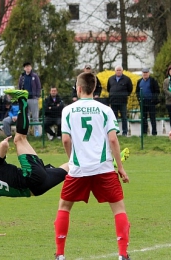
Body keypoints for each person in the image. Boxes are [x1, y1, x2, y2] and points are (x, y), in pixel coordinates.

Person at [54, 72, 131, 260]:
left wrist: (72, 160)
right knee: (119, 209)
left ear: (78, 88)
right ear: (95, 88)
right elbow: (113, 139)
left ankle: (60, 254)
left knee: (64, 207)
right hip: (103, 169)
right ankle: (122, 254)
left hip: (78, 169)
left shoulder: (68, 110)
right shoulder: (105, 110)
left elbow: (65, 140)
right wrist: (120, 167)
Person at [0, 89, 68, 236]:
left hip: (37, 189)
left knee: (69, 167)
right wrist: (4, 141)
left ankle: (88, 160)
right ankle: (23, 99)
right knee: (19, 139)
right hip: (32, 176)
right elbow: (3, 147)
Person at [107, 65, 133, 136]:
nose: (118, 71)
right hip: (113, 101)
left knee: (124, 117)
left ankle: (124, 132)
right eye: (117, 70)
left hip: (123, 101)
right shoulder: (111, 79)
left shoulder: (127, 79)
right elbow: (108, 88)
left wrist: (124, 95)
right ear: (115, 71)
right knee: (114, 117)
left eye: (120, 70)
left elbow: (130, 89)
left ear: (122, 71)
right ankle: (114, 132)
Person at [18, 62, 41, 137]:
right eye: (26, 67)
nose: (28, 68)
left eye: (29, 66)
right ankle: (26, 132)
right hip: (25, 99)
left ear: (31, 67)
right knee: (26, 116)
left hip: (33, 99)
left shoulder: (35, 76)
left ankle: (36, 132)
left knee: (35, 116)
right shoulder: (22, 77)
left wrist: (37, 96)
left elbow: (38, 86)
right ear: (24, 68)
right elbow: (20, 87)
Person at [136, 68, 160, 135]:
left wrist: (153, 99)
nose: (145, 74)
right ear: (142, 73)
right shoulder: (139, 81)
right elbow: (137, 92)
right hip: (143, 102)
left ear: (148, 73)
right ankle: (144, 132)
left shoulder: (153, 81)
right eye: (144, 73)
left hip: (151, 102)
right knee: (144, 118)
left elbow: (157, 91)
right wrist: (139, 99)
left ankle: (154, 132)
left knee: (152, 117)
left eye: (146, 72)